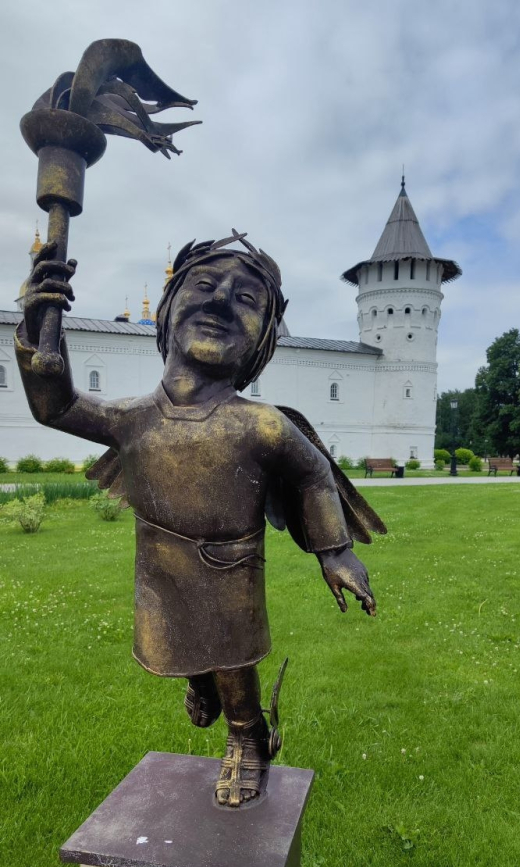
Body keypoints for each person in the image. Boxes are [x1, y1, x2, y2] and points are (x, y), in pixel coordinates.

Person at [16, 231, 385, 807]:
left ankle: (247, 735)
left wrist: (335, 551)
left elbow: (314, 473)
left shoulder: (262, 425)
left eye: (246, 299)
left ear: (263, 339)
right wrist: (38, 323)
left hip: (231, 565)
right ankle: (201, 684)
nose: (219, 301)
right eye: (205, 285)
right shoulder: (133, 417)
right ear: (167, 312)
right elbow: (56, 405)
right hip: (159, 563)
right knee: (173, 640)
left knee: (232, 658)